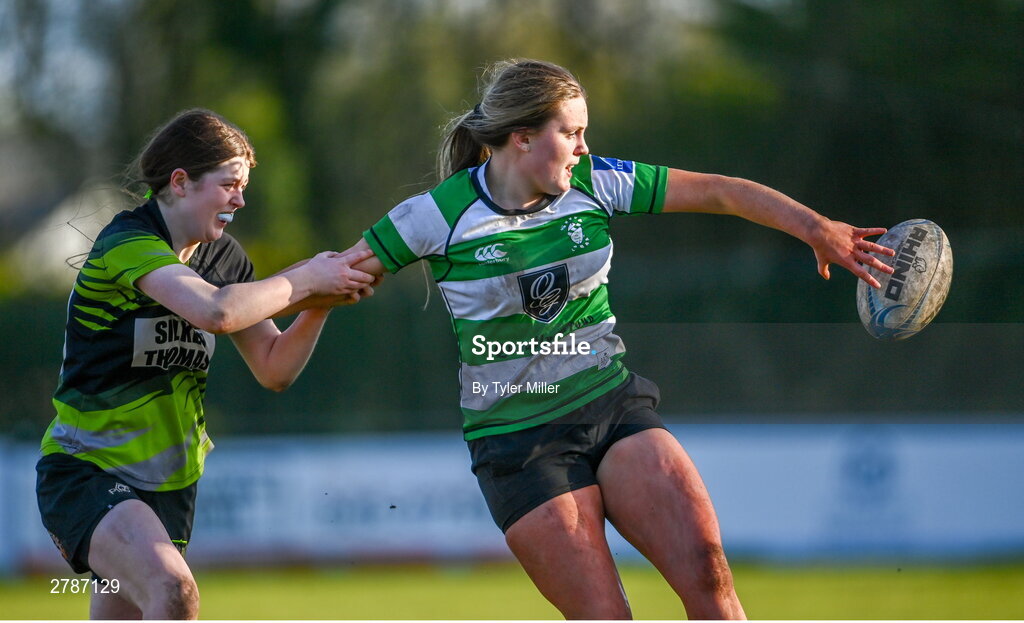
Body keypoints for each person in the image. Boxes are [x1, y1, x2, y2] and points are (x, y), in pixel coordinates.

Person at [345, 59, 895, 620]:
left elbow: (722, 193)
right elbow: (332, 275)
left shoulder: (597, 181)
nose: (585, 147)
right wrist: (258, 319)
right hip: (519, 444)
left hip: (612, 406)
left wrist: (817, 228)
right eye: (572, 133)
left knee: (710, 579)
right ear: (522, 137)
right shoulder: (436, 215)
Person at [35, 108, 376, 620]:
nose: (240, 199)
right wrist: (307, 279)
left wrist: (319, 303)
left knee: (155, 603)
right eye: (230, 184)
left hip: (172, 486)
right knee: (175, 592)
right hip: (88, 468)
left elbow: (273, 367)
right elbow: (216, 312)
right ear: (181, 182)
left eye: (243, 186)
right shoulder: (128, 243)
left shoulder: (223, 259)